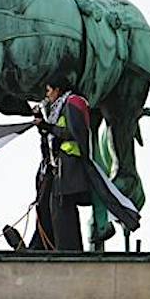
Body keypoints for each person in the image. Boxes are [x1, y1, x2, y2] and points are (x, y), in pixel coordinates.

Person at [33, 82, 93, 253]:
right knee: (49, 207)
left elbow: (72, 132)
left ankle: (68, 250)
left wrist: (47, 126)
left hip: (70, 168)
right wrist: (42, 125)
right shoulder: (57, 110)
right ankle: (46, 246)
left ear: (57, 90)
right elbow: (51, 138)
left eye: (48, 90)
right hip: (58, 169)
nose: (47, 95)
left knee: (62, 211)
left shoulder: (72, 103)